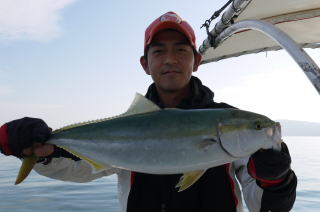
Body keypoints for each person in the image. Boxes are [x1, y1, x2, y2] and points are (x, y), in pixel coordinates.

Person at [0, 11, 297, 212]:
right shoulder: (128, 126)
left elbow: (264, 206)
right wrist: (40, 152)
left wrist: (277, 179)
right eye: (159, 51)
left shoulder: (227, 119)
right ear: (145, 64)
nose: (170, 59)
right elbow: (82, 168)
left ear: (197, 60)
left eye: (181, 50)